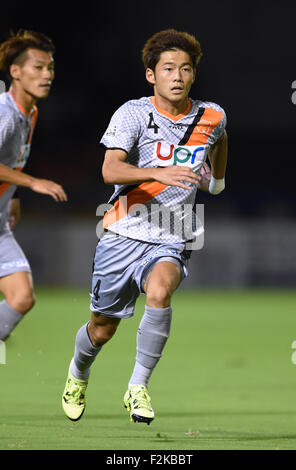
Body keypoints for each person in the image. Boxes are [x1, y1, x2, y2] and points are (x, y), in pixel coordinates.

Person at [62, 29, 227, 424]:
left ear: (193, 75)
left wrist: (216, 180)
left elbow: (219, 139)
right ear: (151, 75)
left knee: (160, 290)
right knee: (102, 329)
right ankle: (78, 373)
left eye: (185, 69)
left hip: (172, 233)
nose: (178, 76)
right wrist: (162, 173)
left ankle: (138, 386)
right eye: (168, 68)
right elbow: (110, 169)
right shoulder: (133, 113)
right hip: (122, 231)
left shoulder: (212, 115)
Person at [0, 30, 67, 341]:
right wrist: (31, 183)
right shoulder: (6, 115)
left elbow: (9, 161)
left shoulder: (30, 112)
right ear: (15, 71)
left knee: (22, 297)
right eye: (38, 67)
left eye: (50, 67)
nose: (47, 75)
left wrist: (11, 194)